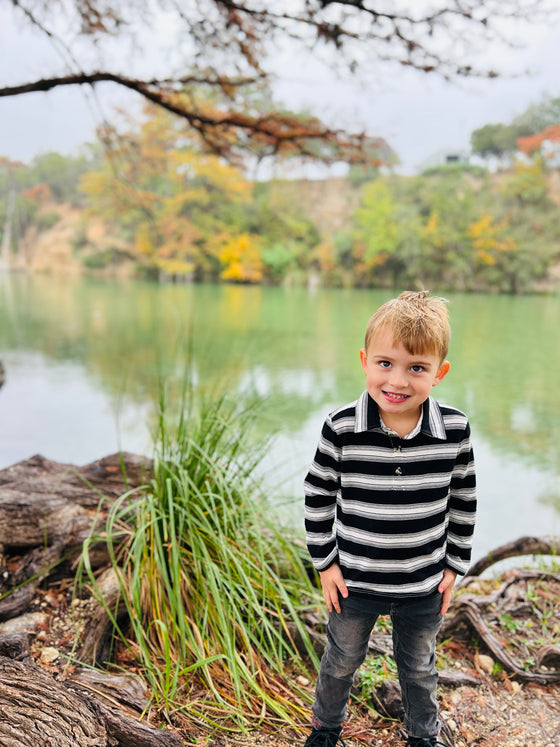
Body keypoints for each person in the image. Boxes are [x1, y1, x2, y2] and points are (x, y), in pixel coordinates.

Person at [303, 291, 477, 747]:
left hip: (422, 582)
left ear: (439, 373)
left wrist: (453, 565)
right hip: (355, 581)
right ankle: (325, 730)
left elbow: (463, 498)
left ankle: (423, 735)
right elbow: (318, 494)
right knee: (340, 661)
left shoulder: (454, 430)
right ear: (364, 361)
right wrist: (326, 563)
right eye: (385, 363)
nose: (397, 380)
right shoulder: (341, 427)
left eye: (416, 368)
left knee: (419, 667)